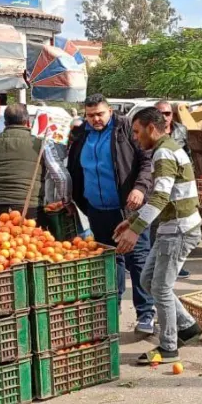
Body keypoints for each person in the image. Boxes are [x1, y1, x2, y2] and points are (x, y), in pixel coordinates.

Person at [114, 107, 202, 365]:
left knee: (161, 288)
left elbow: (161, 197)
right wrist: (132, 220)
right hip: (170, 229)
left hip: (178, 230)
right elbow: (161, 195)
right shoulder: (166, 149)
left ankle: (169, 347)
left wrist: (135, 230)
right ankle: (188, 327)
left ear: (151, 128)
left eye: (137, 131)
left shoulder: (164, 152)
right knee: (147, 281)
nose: (135, 137)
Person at [67, 94, 156, 335]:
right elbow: (73, 168)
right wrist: (75, 198)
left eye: (100, 114)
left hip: (128, 209)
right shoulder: (81, 134)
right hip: (97, 209)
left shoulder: (126, 128)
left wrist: (140, 188)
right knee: (109, 260)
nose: (95, 119)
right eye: (91, 115)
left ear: (109, 111)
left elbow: (147, 161)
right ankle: (111, 310)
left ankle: (146, 313)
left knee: (138, 259)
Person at [0, 103, 69, 220]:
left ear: (5, 123)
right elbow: (60, 176)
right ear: (27, 122)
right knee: (31, 232)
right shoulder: (42, 143)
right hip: (30, 207)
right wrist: (66, 200)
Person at [155, 99, 192, 279]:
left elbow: (188, 155)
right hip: (158, 183)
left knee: (177, 227)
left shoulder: (181, 130)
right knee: (158, 226)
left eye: (167, 113)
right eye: (160, 113)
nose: (164, 117)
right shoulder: (151, 133)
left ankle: (176, 264)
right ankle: (157, 264)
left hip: (177, 186)